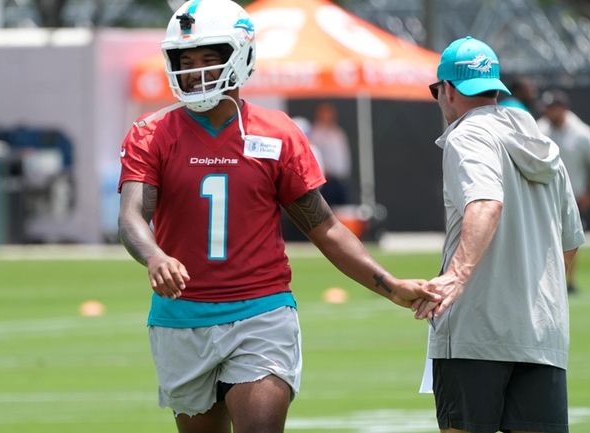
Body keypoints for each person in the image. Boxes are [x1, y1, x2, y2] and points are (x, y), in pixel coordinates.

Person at [116, 1, 440, 432]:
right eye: (185, 60)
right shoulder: (151, 133)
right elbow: (133, 216)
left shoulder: (278, 133)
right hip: (181, 319)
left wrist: (389, 284)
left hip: (261, 313)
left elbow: (324, 227)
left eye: (208, 59)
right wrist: (154, 256)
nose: (194, 72)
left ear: (241, 55)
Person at [414, 36, 585, 433]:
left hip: (476, 334)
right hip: (542, 337)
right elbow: (570, 243)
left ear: (449, 90)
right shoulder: (542, 144)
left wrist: (456, 275)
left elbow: (486, 203)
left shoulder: (466, 135)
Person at [537, 89, 590, 294]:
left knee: (570, 238)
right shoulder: (540, 129)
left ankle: (567, 281)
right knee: (546, 238)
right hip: (545, 193)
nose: (549, 112)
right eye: (547, 108)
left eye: (553, 108)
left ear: (563, 108)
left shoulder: (581, 132)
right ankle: (547, 281)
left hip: (573, 195)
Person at [309, 103, 351, 205]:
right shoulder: (315, 133)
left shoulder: (338, 132)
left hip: (340, 181)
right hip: (325, 181)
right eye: (325, 113)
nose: (328, 116)